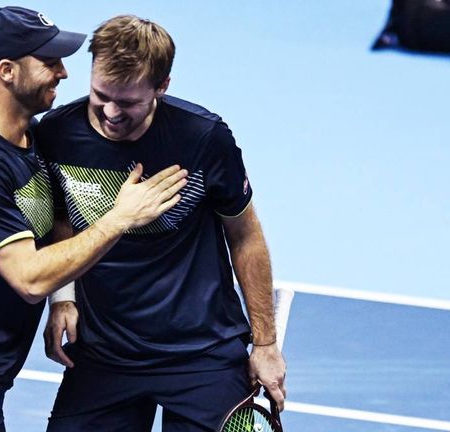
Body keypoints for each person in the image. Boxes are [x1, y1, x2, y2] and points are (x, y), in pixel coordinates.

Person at [0, 7, 188, 432]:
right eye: (49, 62)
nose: (64, 73)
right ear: (8, 71)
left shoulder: (31, 136)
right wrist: (120, 218)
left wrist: (64, 298)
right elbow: (30, 279)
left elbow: (51, 224)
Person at [36, 15, 286, 431]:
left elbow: (245, 236)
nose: (111, 113)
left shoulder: (202, 137)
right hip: (104, 353)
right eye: (101, 95)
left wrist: (266, 344)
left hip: (202, 353)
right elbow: (61, 214)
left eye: (128, 103)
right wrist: (63, 296)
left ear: (162, 86)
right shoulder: (58, 133)